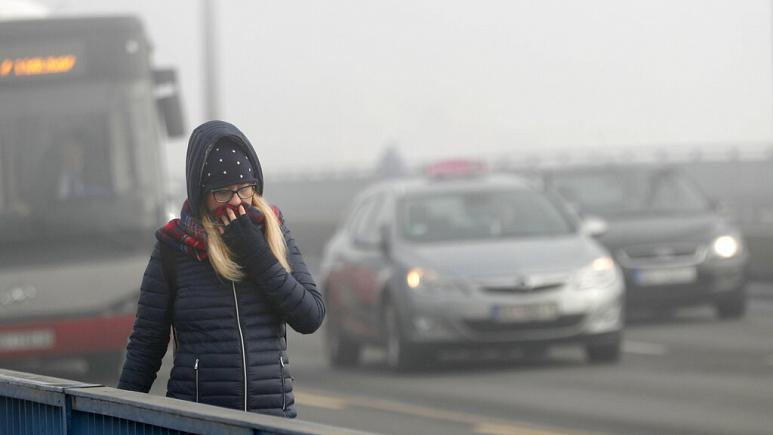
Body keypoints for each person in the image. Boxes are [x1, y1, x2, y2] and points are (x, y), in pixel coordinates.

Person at [117, 120, 325, 418]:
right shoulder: (174, 246)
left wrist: (256, 253)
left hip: (273, 422)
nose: (237, 202)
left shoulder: (273, 231)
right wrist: (115, 414)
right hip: (200, 421)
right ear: (202, 194)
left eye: (244, 189)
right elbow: (146, 344)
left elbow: (310, 316)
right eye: (223, 193)